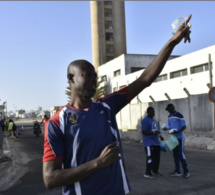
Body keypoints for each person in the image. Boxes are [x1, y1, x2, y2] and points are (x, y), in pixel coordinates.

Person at [42, 15, 192, 194]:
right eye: (86, 75)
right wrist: (97, 163)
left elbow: (145, 79)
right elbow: (50, 178)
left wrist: (172, 42)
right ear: (70, 78)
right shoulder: (57, 123)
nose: (93, 80)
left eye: (95, 77)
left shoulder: (106, 106)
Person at [164, 103, 190, 178]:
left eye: (169, 110)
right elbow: (170, 126)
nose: (169, 112)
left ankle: (186, 171)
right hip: (173, 138)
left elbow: (184, 126)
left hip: (180, 138)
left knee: (181, 154)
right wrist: (166, 128)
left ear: (172, 108)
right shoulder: (169, 116)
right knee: (175, 155)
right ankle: (177, 171)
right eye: (168, 110)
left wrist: (178, 131)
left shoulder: (179, 115)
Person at [141, 107, 164, 179]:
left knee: (157, 157)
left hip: (156, 142)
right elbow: (144, 131)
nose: (153, 113)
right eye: (151, 112)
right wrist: (153, 132)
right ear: (148, 112)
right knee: (150, 157)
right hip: (148, 142)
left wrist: (160, 136)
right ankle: (147, 172)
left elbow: (157, 130)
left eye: (153, 112)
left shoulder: (154, 120)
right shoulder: (145, 120)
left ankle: (155, 171)